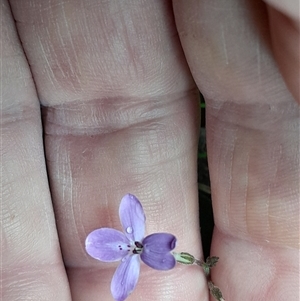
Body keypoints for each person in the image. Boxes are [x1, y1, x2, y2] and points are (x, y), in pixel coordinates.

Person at [2, 0, 299, 300]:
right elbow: (116, 225)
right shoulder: (137, 249)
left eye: (137, 248)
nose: (134, 248)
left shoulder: (148, 249)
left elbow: (143, 228)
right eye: (135, 248)